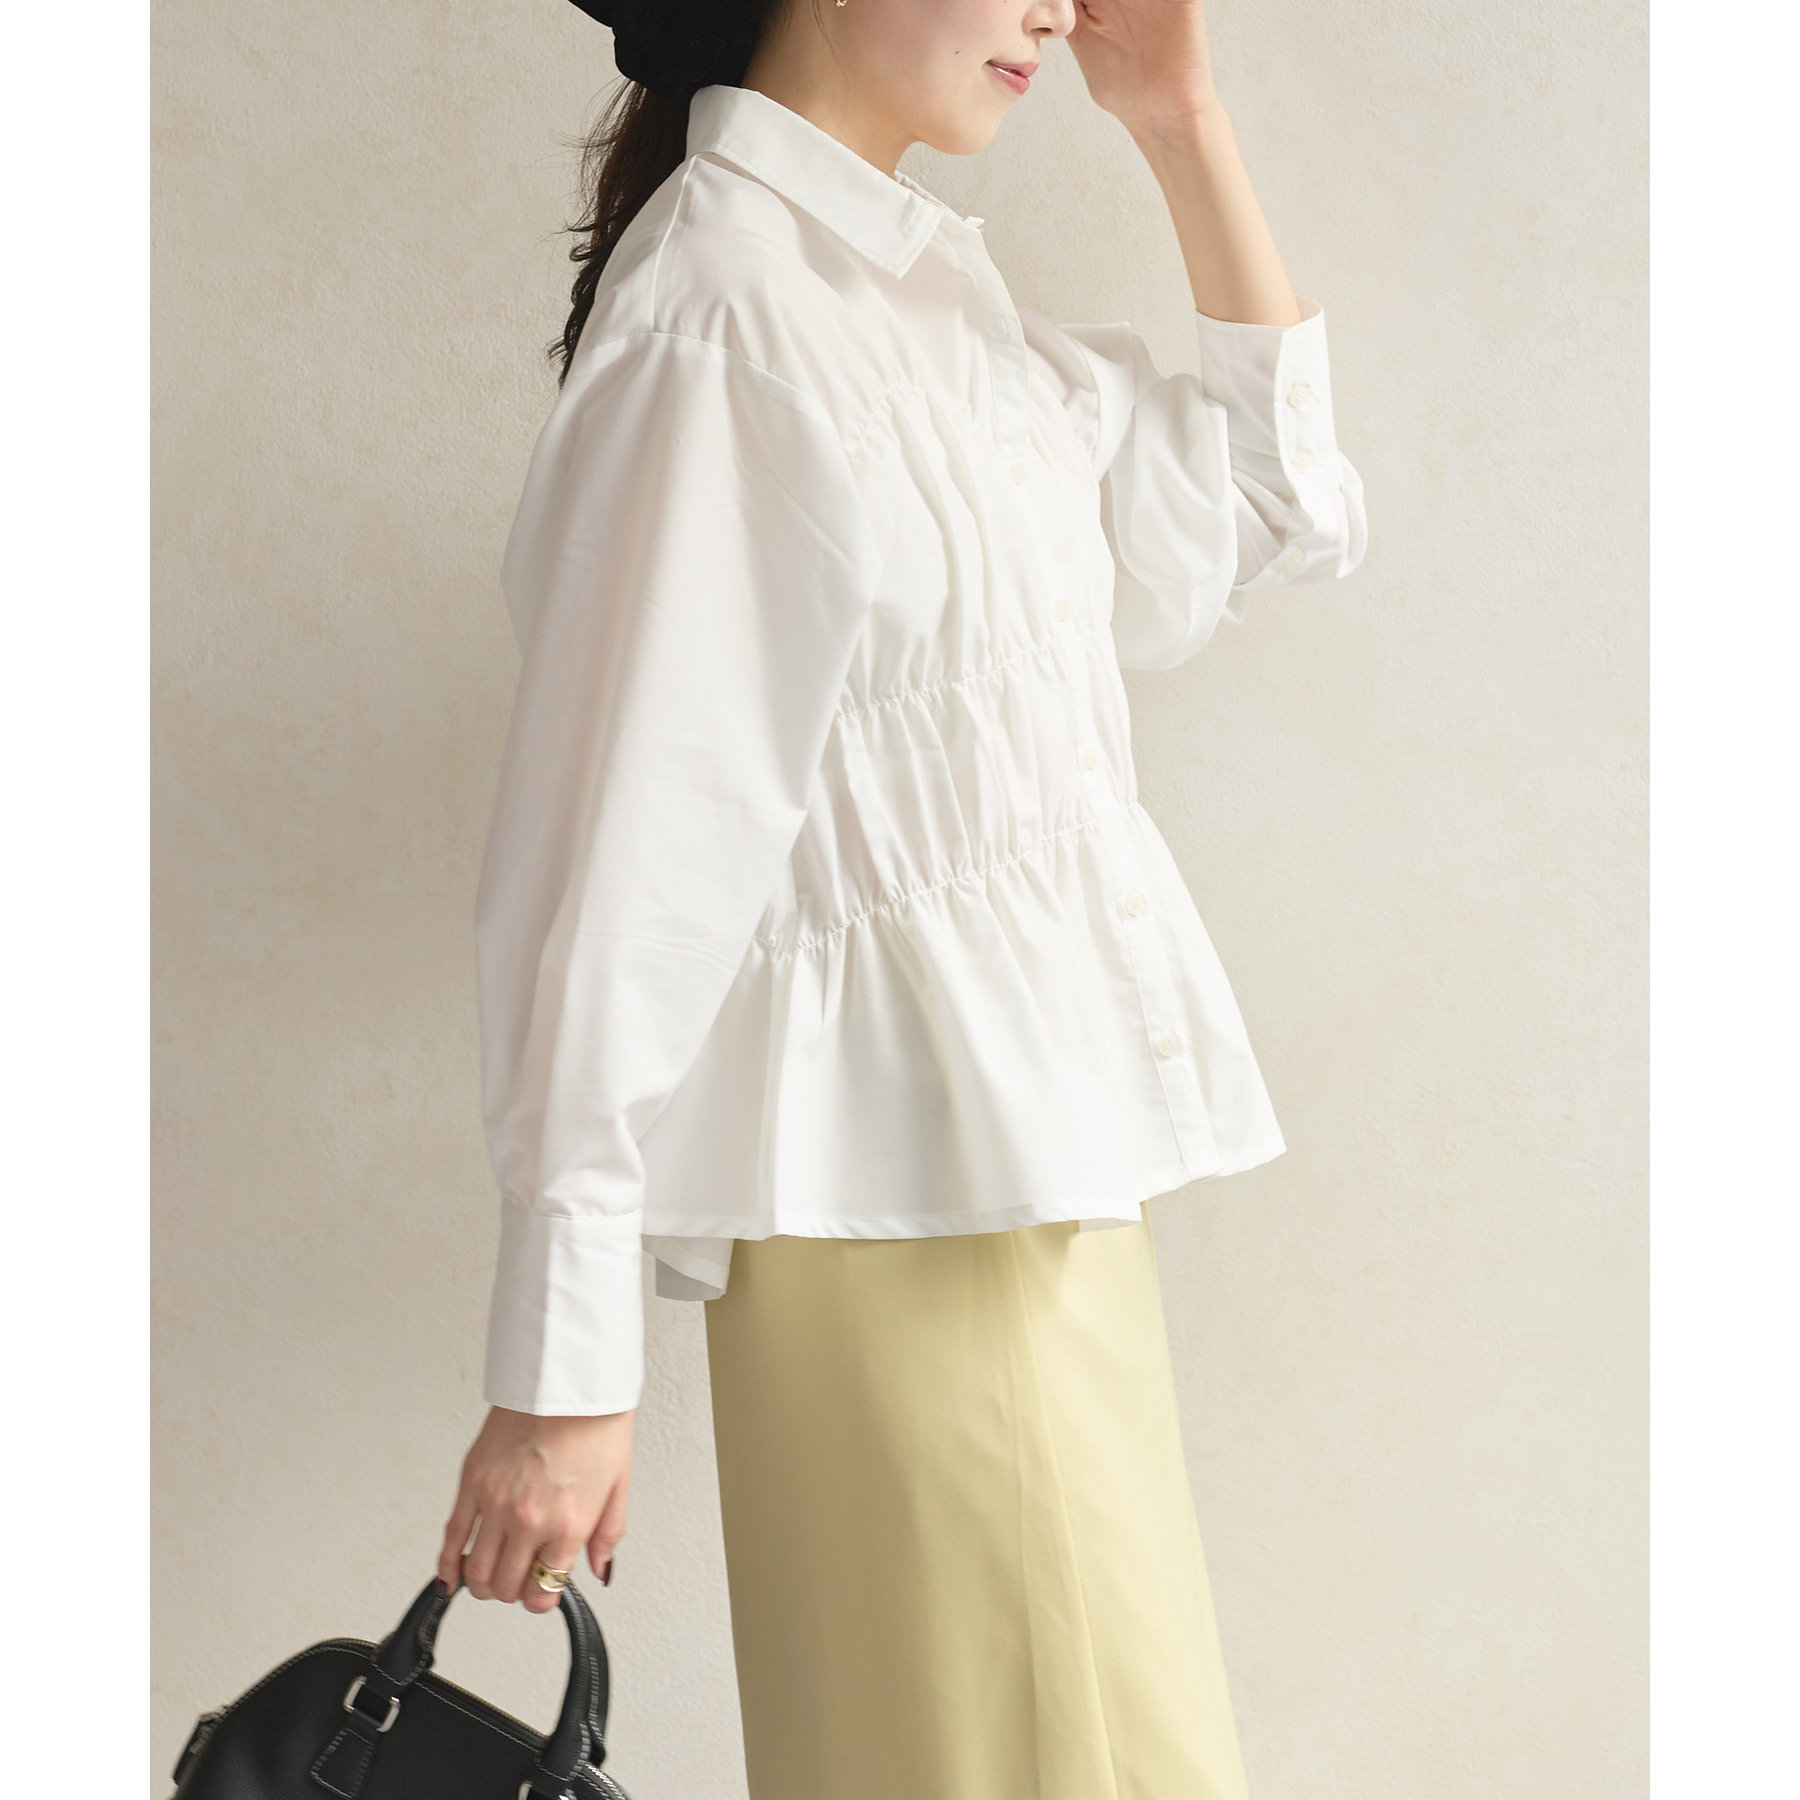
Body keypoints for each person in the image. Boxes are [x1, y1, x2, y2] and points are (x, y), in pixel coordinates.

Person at [440, 0, 1368, 1793]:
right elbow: (613, 866)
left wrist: (1181, 119)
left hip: (1020, 1192)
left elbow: (1273, 501)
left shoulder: (913, 291)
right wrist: (561, 1370)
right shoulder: (727, 313)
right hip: (913, 1219)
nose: (1056, 5)